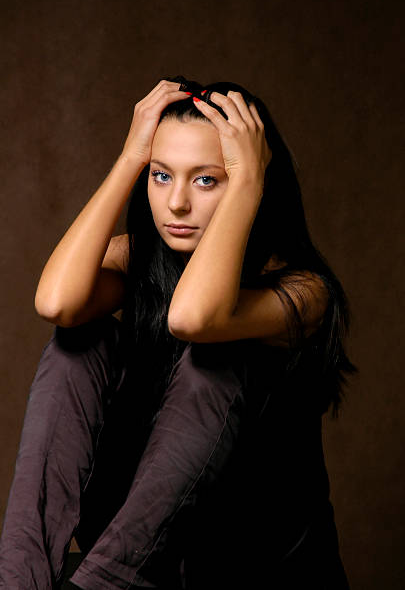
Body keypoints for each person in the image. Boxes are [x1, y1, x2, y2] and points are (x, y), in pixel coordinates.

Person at [0, 75, 357, 589]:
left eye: (207, 180)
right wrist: (129, 158)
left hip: (254, 562)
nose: (177, 205)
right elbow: (56, 302)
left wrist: (251, 177)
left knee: (214, 355)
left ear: (247, 181)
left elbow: (195, 320)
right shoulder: (142, 258)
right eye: (162, 176)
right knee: (78, 342)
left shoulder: (304, 290)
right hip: (157, 557)